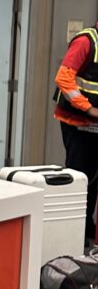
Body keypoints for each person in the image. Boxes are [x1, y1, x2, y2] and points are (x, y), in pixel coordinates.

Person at [54, 25, 98, 247]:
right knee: (79, 177)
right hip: (77, 123)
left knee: (92, 180)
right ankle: (71, 234)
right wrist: (89, 108)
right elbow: (63, 78)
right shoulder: (86, 42)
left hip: (94, 126)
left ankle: (86, 230)